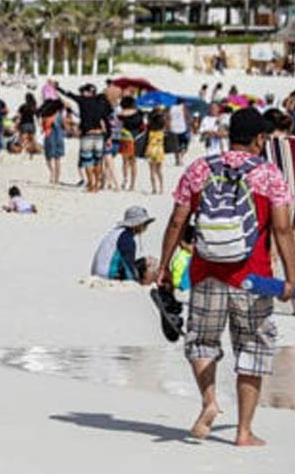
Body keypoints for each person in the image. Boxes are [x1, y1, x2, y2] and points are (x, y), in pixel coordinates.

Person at [156, 108, 295, 446]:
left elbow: (177, 221)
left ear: (229, 135)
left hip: (205, 272)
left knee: (202, 341)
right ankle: (243, 431)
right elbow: (282, 228)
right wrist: (291, 275)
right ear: (260, 140)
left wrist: (164, 265)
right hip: (253, 278)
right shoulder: (269, 174)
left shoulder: (200, 167)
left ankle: (209, 402)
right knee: (252, 348)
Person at [57, 83, 112, 192]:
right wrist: (109, 136)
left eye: (83, 92)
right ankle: (97, 185)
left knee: (88, 161)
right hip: (99, 135)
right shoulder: (101, 102)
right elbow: (106, 120)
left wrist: (58, 87)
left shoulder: (83, 100)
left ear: (87, 92)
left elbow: (69, 95)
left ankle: (91, 184)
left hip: (87, 135)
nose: (82, 93)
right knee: (97, 161)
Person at [90, 206, 158, 284]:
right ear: (137, 224)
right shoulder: (127, 239)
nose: (146, 227)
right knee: (151, 262)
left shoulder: (118, 232)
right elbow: (128, 267)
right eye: (145, 224)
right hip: (108, 276)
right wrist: (134, 283)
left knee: (146, 261)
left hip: (98, 273)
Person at [118, 96, 143, 192]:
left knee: (124, 161)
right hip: (136, 138)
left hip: (125, 137)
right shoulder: (139, 113)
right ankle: (132, 184)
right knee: (133, 162)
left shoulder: (122, 114)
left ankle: (125, 180)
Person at [40, 99, 65, 185]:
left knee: (48, 157)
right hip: (59, 137)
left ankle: (52, 172)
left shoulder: (46, 116)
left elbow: (43, 127)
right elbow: (64, 125)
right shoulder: (59, 114)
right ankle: (57, 178)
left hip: (49, 137)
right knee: (58, 159)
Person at [146, 109, 167, 195]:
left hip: (151, 149)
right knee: (159, 170)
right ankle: (161, 188)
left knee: (151, 170)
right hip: (159, 150)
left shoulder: (150, 131)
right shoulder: (162, 131)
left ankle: (154, 189)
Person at [168, 98, 192, 166]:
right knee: (185, 146)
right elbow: (187, 117)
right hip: (182, 128)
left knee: (176, 146)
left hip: (173, 129)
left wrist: (169, 127)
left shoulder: (171, 107)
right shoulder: (183, 107)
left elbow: (168, 118)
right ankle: (180, 158)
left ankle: (177, 160)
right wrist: (189, 125)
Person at [16, 93, 38, 158]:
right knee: (32, 140)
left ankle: (24, 152)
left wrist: (17, 124)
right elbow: (37, 116)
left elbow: (19, 116)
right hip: (31, 124)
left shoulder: (22, 106)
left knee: (24, 140)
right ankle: (32, 153)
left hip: (24, 124)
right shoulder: (33, 107)